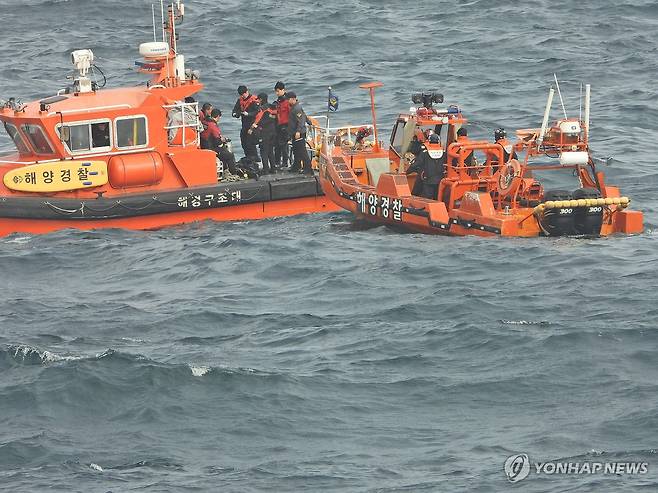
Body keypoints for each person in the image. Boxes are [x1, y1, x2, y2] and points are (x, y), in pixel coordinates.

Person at [406, 133, 445, 199]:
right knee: (437, 198)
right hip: (440, 181)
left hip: (428, 180)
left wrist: (407, 172)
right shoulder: (443, 152)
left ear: (429, 141)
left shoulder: (425, 153)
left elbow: (416, 164)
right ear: (438, 141)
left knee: (427, 199)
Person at [203, 108, 237, 175]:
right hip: (211, 149)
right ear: (218, 116)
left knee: (223, 152)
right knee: (229, 155)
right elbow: (218, 141)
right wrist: (223, 140)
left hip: (205, 146)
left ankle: (223, 170)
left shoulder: (205, 122)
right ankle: (233, 173)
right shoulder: (213, 126)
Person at [250, 93, 278, 174]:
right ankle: (273, 168)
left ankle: (265, 169)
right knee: (270, 151)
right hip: (273, 132)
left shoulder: (262, 109)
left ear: (261, 99)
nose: (257, 101)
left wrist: (251, 129)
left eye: (258, 99)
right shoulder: (273, 107)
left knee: (264, 151)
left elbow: (257, 121)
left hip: (265, 133)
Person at [286, 92, 312, 174]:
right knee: (296, 150)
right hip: (294, 132)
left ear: (292, 99)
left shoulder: (297, 108)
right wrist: (309, 122)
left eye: (288, 99)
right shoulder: (294, 107)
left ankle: (308, 168)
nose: (287, 101)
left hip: (299, 133)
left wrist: (298, 131)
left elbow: (301, 120)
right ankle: (296, 166)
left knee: (302, 151)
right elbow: (304, 115)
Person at [231, 85, 260, 161]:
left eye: (243, 94)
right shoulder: (240, 100)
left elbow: (257, 112)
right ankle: (248, 157)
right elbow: (235, 110)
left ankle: (255, 158)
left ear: (247, 92)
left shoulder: (254, 100)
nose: (242, 96)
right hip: (244, 124)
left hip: (252, 124)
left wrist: (248, 114)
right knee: (243, 141)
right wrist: (236, 114)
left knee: (250, 142)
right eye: (241, 95)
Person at [273, 81, 290, 169]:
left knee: (283, 145)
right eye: (276, 91)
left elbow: (292, 114)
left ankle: (285, 162)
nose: (277, 93)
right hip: (278, 125)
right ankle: (277, 162)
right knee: (277, 145)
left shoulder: (288, 101)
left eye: (278, 91)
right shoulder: (277, 101)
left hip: (286, 125)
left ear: (283, 90)